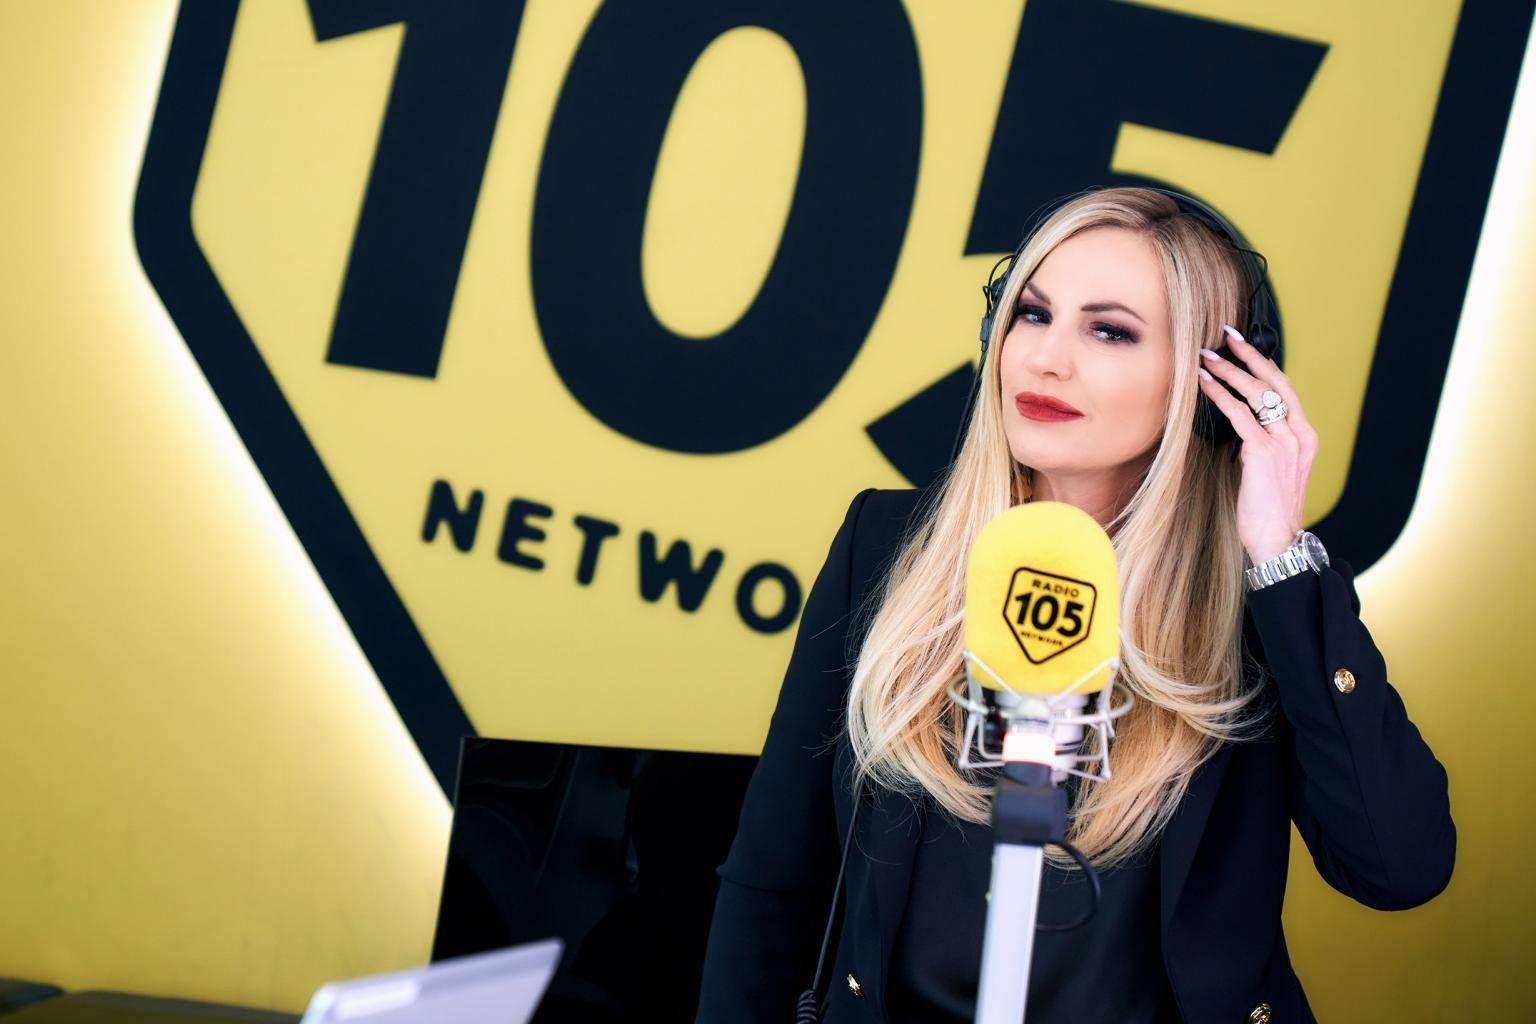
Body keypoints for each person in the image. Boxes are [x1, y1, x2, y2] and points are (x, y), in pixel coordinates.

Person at [694, 187, 1454, 1023]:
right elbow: (772, 879)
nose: (1046, 359)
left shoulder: (1265, 607)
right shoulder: (884, 545)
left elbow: (1399, 866)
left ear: (1211, 383)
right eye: (1032, 314)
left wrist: (1278, 552)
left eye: (1109, 331)